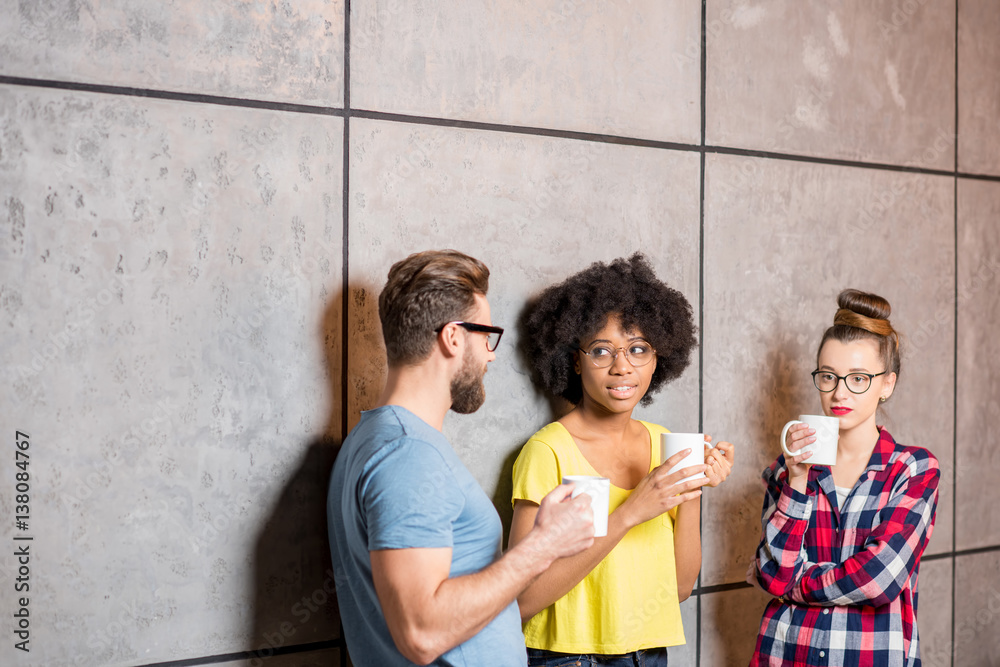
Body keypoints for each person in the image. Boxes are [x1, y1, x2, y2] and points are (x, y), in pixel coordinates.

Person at [327, 250, 596, 667]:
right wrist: (544, 546)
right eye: (486, 337)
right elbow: (422, 632)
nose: (490, 355)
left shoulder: (376, 438)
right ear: (453, 337)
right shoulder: (407, 455)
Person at [509, 253, 736, 666]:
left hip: (647, 656)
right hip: (568, 659)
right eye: (601, 350)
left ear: (658, 358)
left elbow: (681, 587)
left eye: (637, 349)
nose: (622, 367)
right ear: (575, 360)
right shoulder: (547, 453)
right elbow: (521, 599)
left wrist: (691, 490)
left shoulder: (666, 443)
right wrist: (631, 511)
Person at [749, 289, 940, 667]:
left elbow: (878, 578)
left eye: (858, 379)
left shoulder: (913, 470)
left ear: (887, 383)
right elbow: (772, 574)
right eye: (828, 376)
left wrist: (796, 586)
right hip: (785, 655)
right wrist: (798, 482)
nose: (839, 393)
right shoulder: (785, 470)